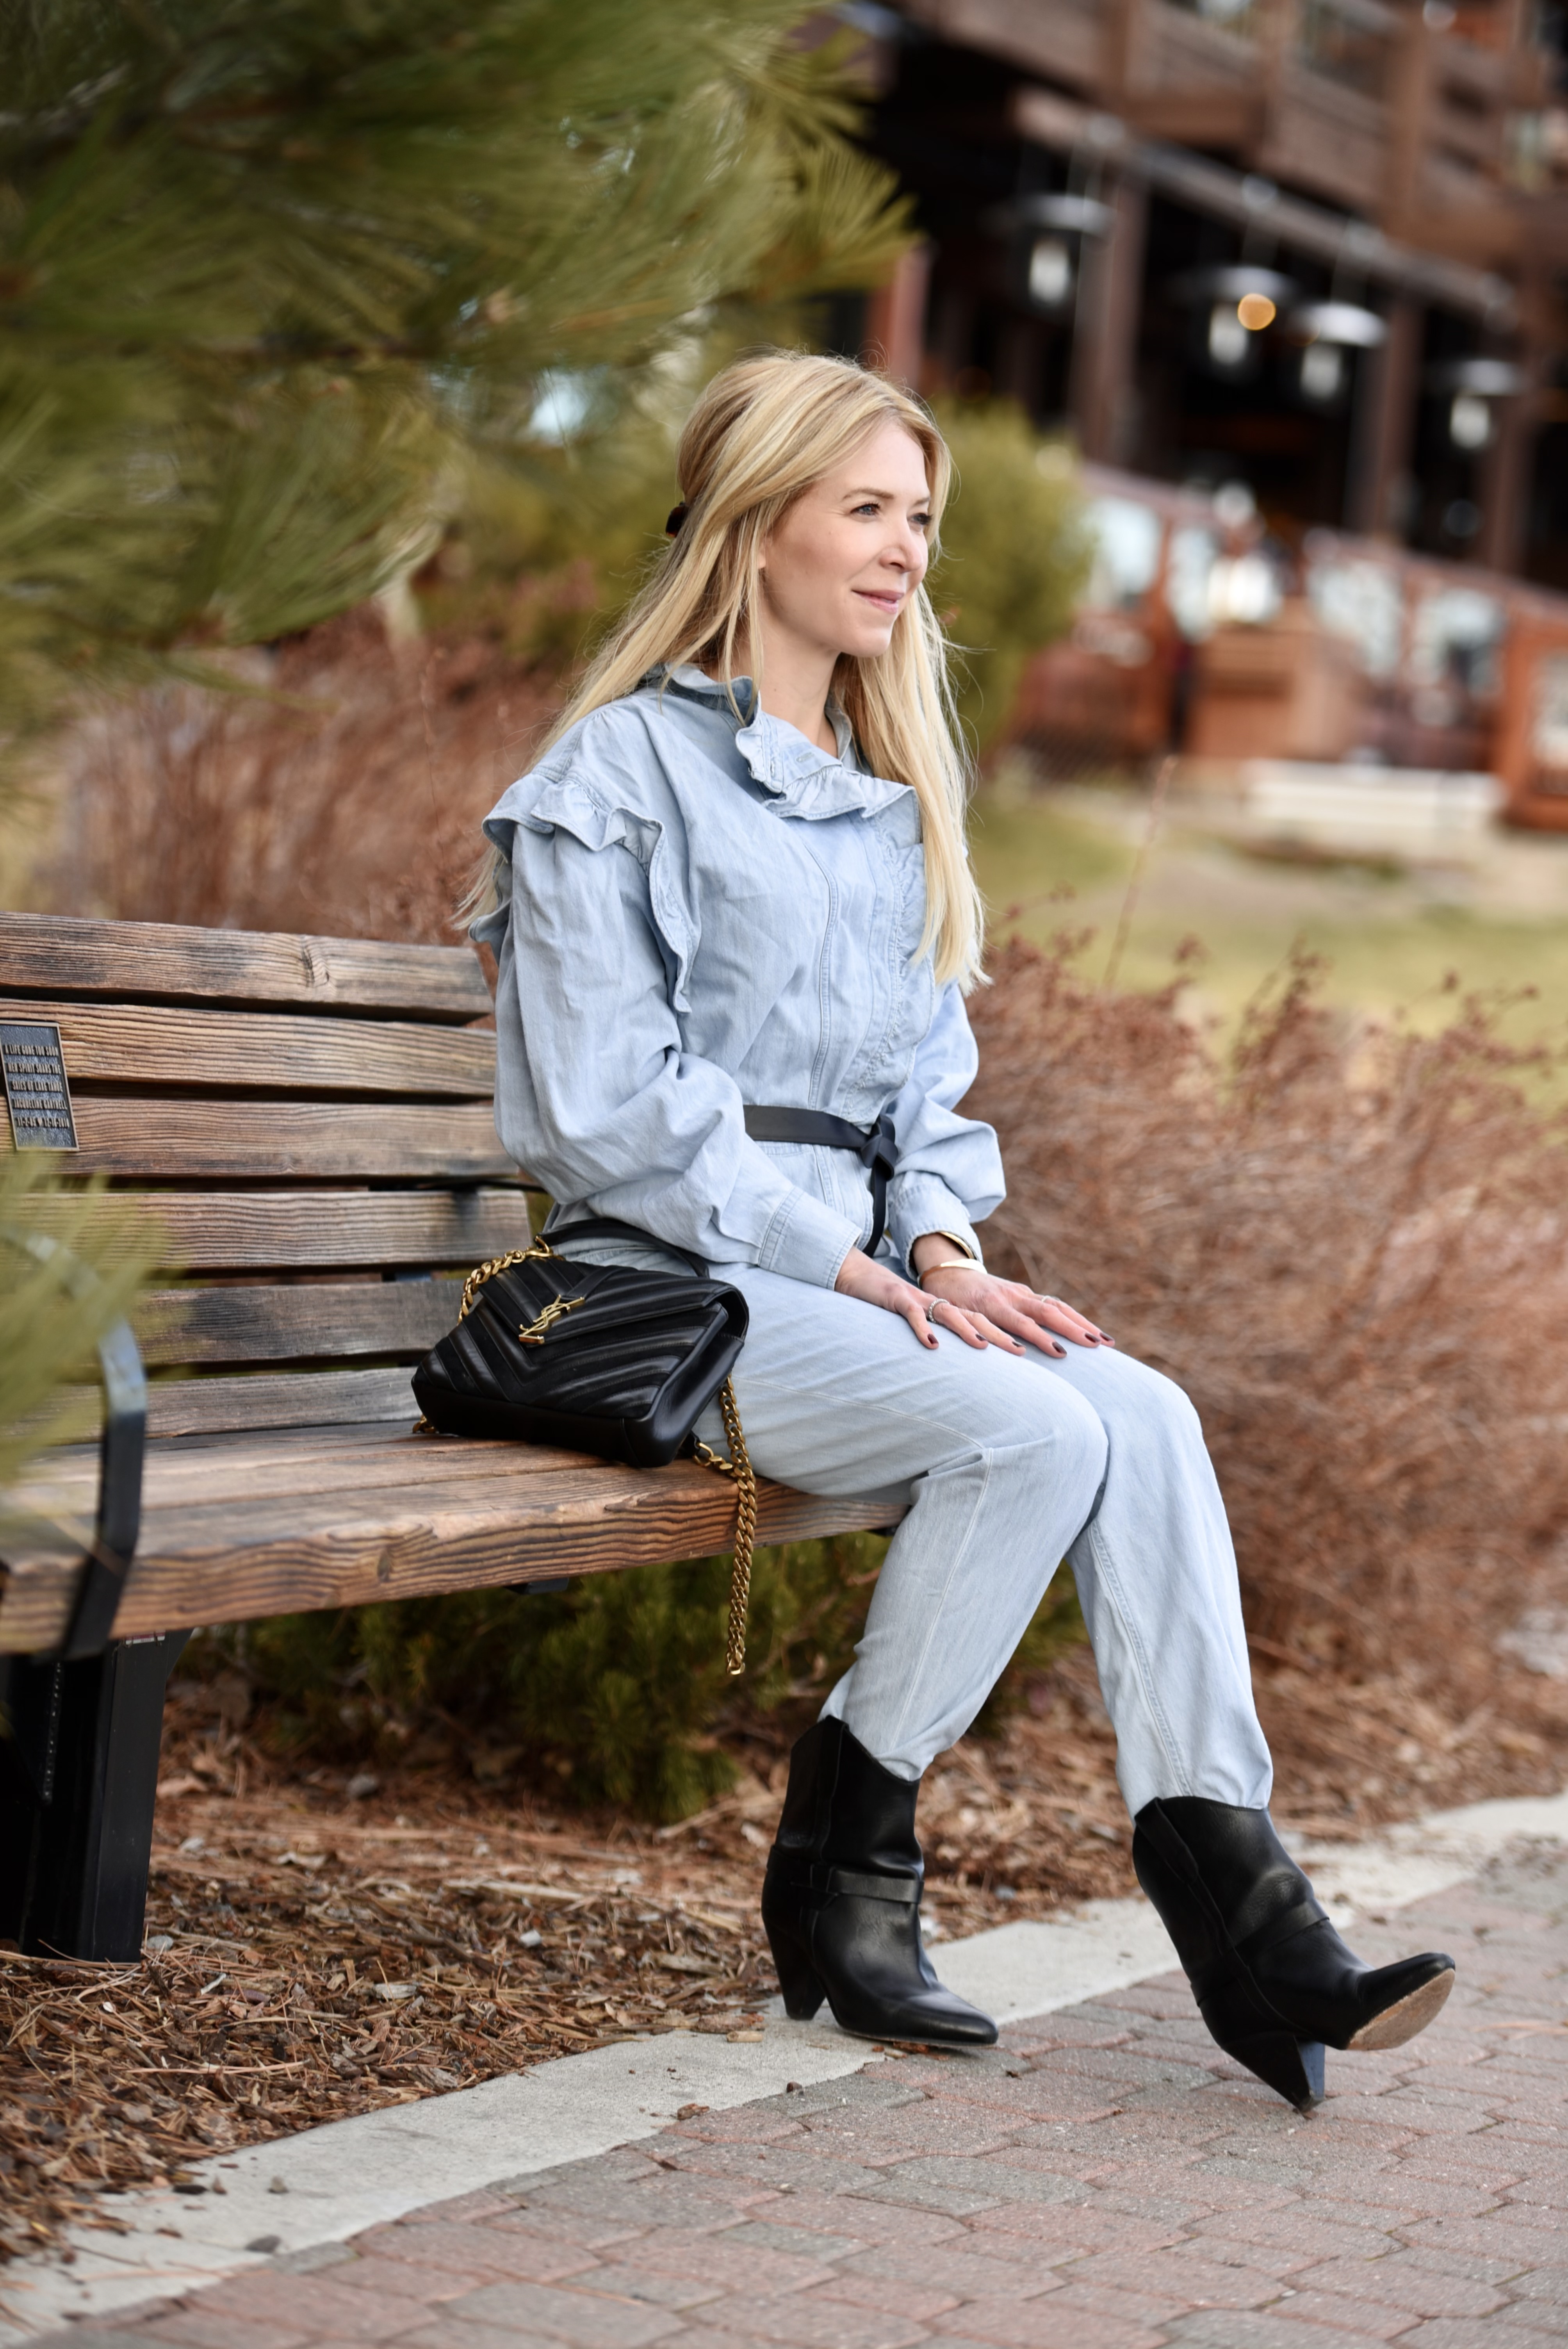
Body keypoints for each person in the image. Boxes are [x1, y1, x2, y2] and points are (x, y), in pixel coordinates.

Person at [470, 350, 1452, 2111]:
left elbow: (924, 1094)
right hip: (669, 1289)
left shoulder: (887, 796)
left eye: (918, 516)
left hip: (850, 1296)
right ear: (755, 521)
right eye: (865, 509)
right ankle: (851, 1846)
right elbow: (603, 1106)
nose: (905, 549)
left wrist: (934, 1249)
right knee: (1026, 1421)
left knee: (1132, 1405)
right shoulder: (617, 773)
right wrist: (838, 1258)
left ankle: (1248, 1917)